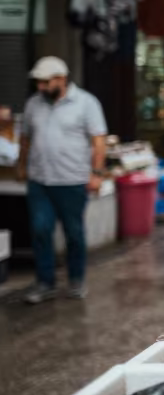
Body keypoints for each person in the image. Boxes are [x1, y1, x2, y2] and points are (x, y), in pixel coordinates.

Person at [18, 56, 108, 304]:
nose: (41, 87)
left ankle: (76, 279)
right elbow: (25, 137)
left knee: (74, 233)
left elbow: (98, 141)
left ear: (61, 79)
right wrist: (21, 164)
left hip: (72, 181)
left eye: (46, 82)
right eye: (38, 82)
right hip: (40, 180)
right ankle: (45, 282)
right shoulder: (33, 104)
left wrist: (97, 173)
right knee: (40, 229)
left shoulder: (86, 103)